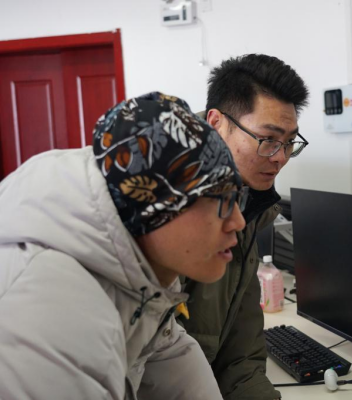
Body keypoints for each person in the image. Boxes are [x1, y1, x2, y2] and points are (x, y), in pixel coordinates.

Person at [0, 92, 248, 400]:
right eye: (221, 200)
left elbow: (169, 357)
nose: (238, 221)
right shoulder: (53, 312)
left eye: (236, 198)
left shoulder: (136, 274)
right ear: (153, 207)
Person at [179, 54, 310, 400]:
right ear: (216, 123)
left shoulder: (248, 202)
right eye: (268, 139)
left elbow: (240, 355)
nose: (280, 157)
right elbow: (151, 368)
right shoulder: (168, 209)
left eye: (289, 142)